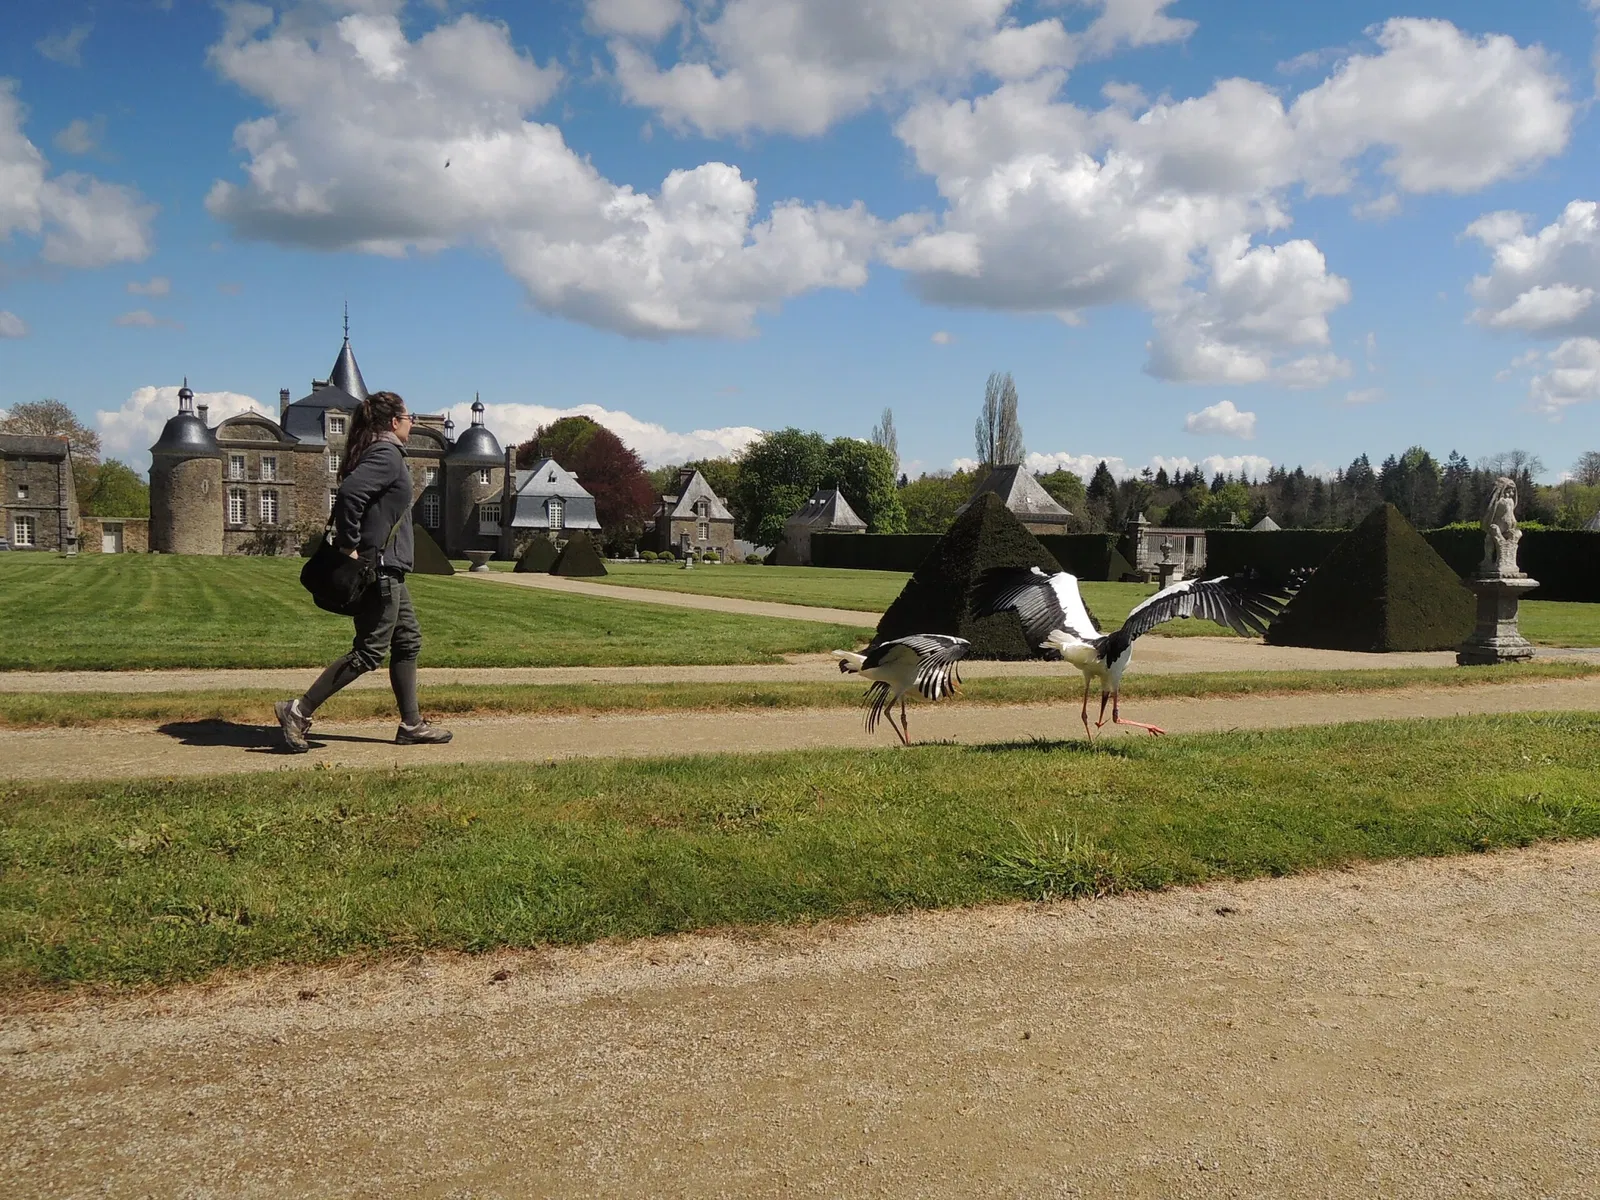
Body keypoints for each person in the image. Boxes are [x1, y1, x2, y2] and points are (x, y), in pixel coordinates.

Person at [275, 390, 452, 752]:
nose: (412, 421)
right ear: (393, 422)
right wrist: (349, 545)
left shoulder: (380, 452)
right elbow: (351, 494)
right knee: (370, 651)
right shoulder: (387, 454)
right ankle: (299, 710)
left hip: (389, 568)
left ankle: (411, 724)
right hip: (380, 569)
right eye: (408, 416)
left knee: (408, 641)